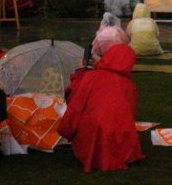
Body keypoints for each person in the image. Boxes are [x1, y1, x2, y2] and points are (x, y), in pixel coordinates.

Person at [58, 44, 145, 172]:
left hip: (92, 130)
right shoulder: (129, 85)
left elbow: (76, 103)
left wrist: (81, 70)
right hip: (122, 135)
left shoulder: (91, 76)